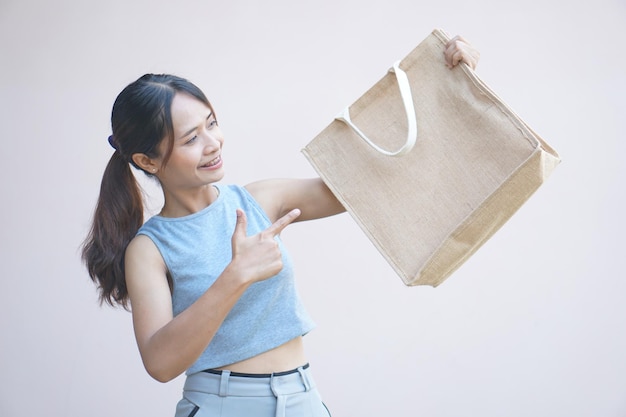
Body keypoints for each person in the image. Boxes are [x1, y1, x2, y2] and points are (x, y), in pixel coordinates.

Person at [82, 35, 479, 417]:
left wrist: (442, 85)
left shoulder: (260, 199)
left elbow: (373, 179)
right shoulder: (148, 249)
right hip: (223, 405)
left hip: (303, 397)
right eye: (190, 139)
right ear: (148, 161)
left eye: (212, 123)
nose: (213, 142)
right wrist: (236, 275)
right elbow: (160, 363)